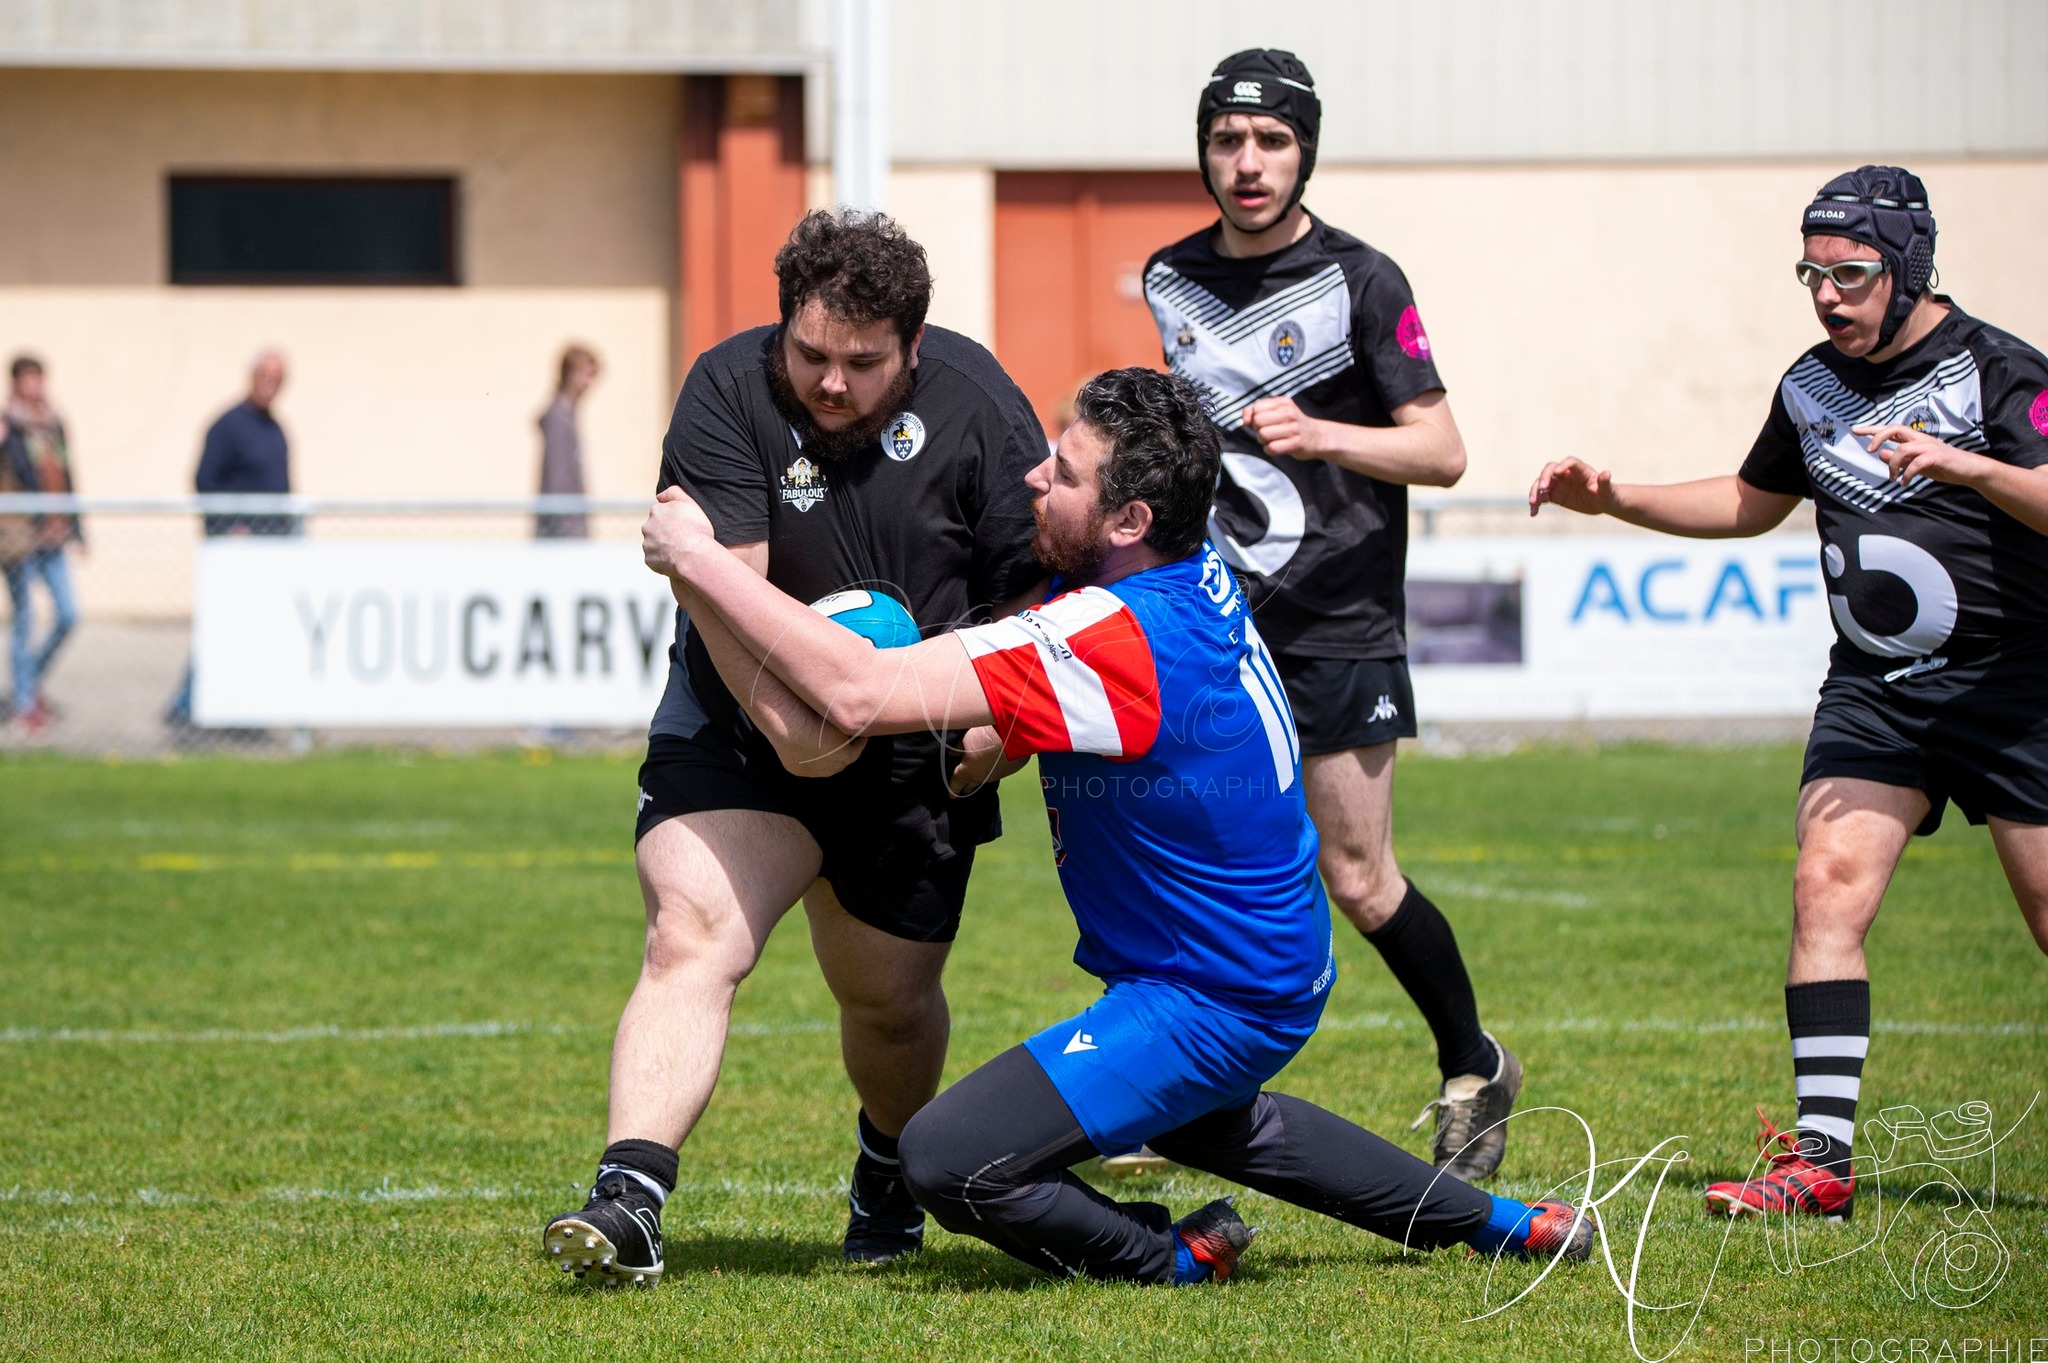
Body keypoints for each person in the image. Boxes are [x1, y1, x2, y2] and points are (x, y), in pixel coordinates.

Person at [634, 366, 1597, 1284]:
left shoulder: (1112, 635)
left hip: (1214, 992)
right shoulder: (1182, 571)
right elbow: (1114, 703)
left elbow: (853, 693)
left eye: (1064, 472)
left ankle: (1164, 1254)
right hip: (1265, 964)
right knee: (1217, 1123)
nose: (1033, 478)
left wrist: (700, 560)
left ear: (1130, 520)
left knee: (947, 1156)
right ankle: (1507, 1224)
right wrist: (1007, 731)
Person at [1529, 166, 2048, 1221]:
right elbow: (1747, 499)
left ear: (1908, 267)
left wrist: (1967, 468)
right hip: (1875, 690)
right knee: (1825, 883)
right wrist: (1614, 497)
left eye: (1849, 274)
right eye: (1811, 275)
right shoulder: (1809, 386)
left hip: (2014, 683)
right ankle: (1820, 1162)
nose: (1826, 297)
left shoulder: (1997, 370)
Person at [540, 209, 1048, 1284]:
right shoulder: (728, 389)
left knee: (888, 1005)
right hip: (739, 720)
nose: (829, 382)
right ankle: (630, 1196)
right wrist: (795, 730)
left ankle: (886, 1163)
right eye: (810, 353)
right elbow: (729, 599)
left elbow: (1032, 594)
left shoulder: (980, 406)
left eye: (862, 363)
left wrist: (1004, 724)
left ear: (914, 347)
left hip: (912, 745)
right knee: (689, 933)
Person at [1139, 49, 1520, 1183]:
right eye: (1226, 140)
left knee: (1356, 876)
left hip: (1338, 623)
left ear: (1305, 151)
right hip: (1216, 624)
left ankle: (1473, 1062)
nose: (1247, 163)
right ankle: (1176, 1089)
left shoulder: (1363, 279)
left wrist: (1324, 434)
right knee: (1194, 859)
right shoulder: (1167, 277)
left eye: (1271, 141)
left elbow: (1441, 451)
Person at [166, 349, 293, 728]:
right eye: (266, 376)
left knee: (252, 631)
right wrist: (229, 526)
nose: (271, 384)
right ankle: (186, 706)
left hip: (270, 547)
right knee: (223, 626)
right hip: (235, 548)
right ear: (251, 376)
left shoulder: (276, 429)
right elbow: (204, 480)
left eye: (278, 378)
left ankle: (242, 709)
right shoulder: (227, 425)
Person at [1, 355, 82, 732]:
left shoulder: (53, 424)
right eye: (28, 380)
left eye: (39, 379)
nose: (35, 387)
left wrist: (78, 528)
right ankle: (25, 704)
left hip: (55, 535)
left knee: (68, 615)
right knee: (25, 619)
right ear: (16, 383)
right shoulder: (8, 427)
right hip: (20, 538)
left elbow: (67, 475)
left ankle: (28, 683)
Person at [537, 344, 600, 540]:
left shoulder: (567, 415)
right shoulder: (558, 418)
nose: (590, 383)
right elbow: (558, 480)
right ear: (571, 374)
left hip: (568, 527)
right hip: (561, 532)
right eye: (587, 375)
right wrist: (567, 529)